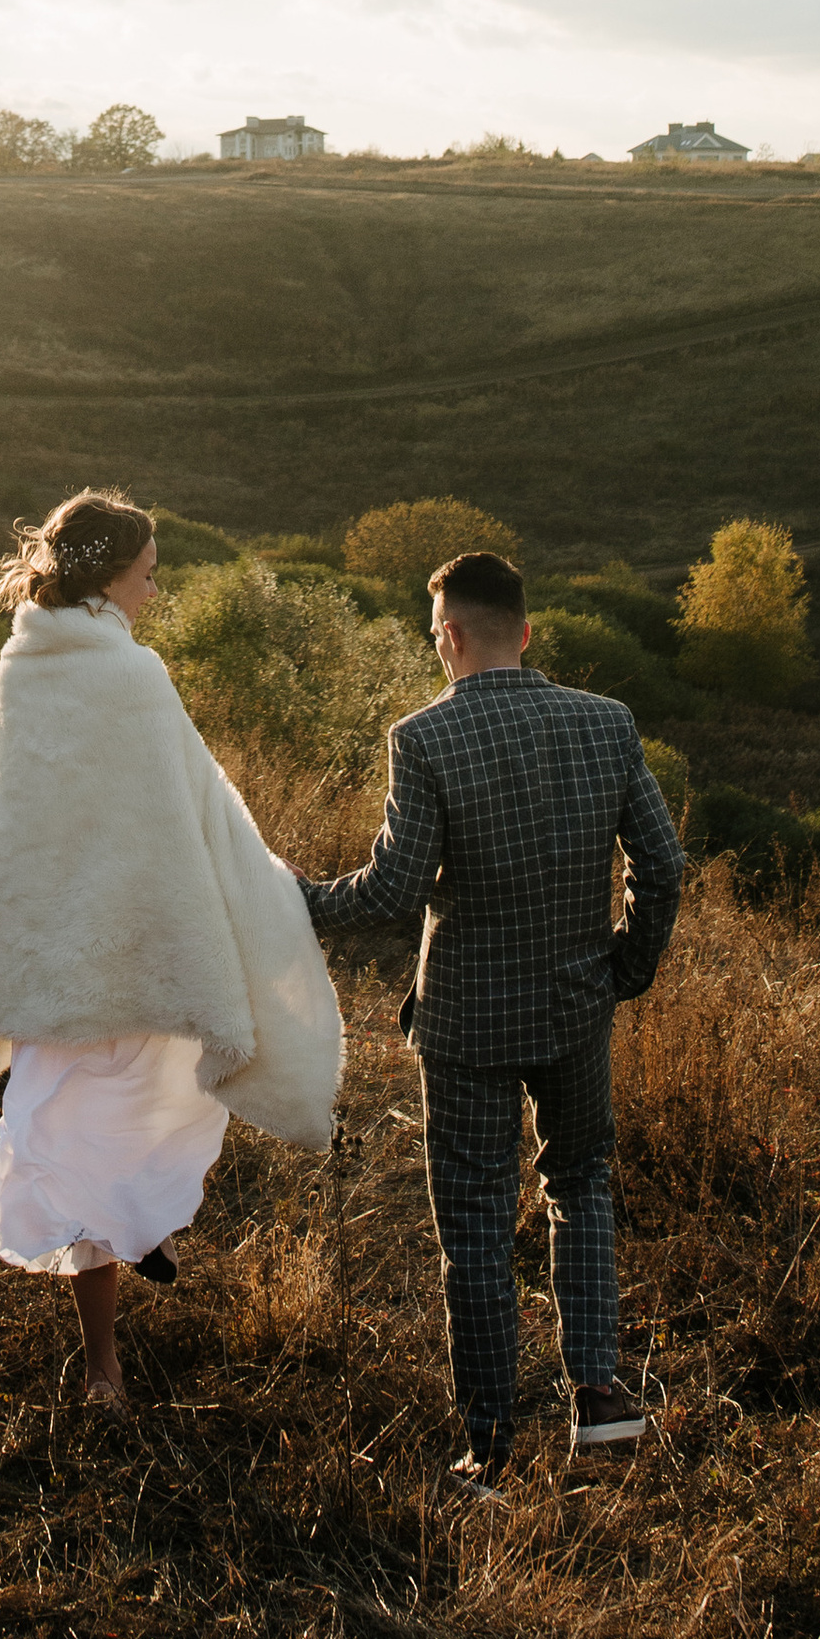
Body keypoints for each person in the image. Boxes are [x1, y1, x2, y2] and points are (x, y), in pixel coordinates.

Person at [0, 492, 343, 1412]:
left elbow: (2, 813)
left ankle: (111, 1332)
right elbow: (197, 804)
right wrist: (263, 877)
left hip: (55, 970)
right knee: (107, 1156)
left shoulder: (21, 666)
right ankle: (106, 1359)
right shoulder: (130, 676)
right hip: (137, 963)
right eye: (149, 571)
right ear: (112, 574)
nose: (155, 587)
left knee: (80, 1152)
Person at [295, 546, 682, 1478]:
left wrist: (293, 898)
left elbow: (392, 891)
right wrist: (621, 970)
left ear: (453, 637)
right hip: (577, 1004)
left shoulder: (423, 738)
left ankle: (492, 1446)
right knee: (580, 1184)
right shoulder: (608, 723)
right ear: (530, 631)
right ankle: (598, 1396)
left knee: (473, 1221)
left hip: (467, 1019)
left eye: (437, 638)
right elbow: (662, 866)